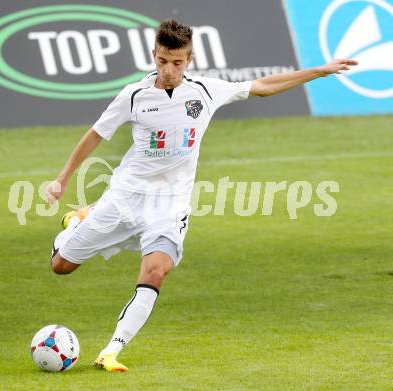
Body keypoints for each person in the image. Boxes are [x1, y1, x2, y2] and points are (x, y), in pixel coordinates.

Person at [46, 19, 357, 372]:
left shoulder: (205, 91)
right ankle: (76, 221)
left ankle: (111, 351)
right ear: (154, 54)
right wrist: (62, 179)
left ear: (189, 59)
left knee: (156, 270)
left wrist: (319, 71)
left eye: (177, 63)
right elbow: (94, 135)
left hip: (170, 204)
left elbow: (264, 86)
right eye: (163, 61)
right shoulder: (133, 96)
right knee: (61, 266)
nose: (169, 70)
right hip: (125, 197)